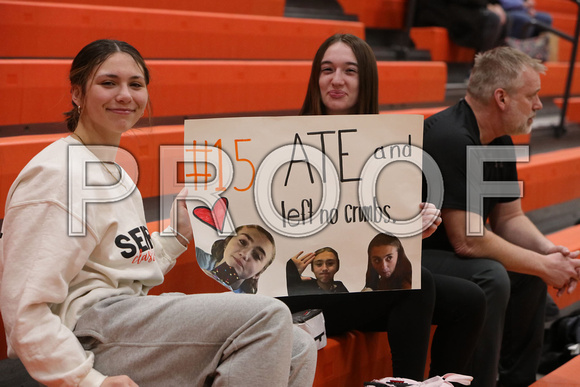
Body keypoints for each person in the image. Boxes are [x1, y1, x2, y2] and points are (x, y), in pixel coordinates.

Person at [0, 39, 317, 386]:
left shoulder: (115, 172)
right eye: (109, 83)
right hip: (88, 334)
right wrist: (88, 381)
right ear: (77, 93)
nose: (125, 95)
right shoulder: (57, 175)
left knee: (299, 343)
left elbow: (125, 266)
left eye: (136, 84)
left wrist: (177, 234)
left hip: (126, 318)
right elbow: (24, 310)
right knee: (267, 316)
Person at [281, 33, 487, 379]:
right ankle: (408, 385)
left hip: (356, 288)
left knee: (469, 299)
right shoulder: (283, 142)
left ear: (366, 81)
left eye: (350, 71)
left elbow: (377, 238)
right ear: (315, 78)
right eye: (327, 69)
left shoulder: (385, 148)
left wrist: (411, 230)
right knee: (416, 284)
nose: (336, 80)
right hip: (304, 289)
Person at [422, 46, 580, 387]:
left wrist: (549, 252)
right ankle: (478, 383)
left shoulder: (498, 137)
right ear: (501, 98)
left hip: (451, 251)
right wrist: (543, 265)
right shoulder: (450, 137)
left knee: (531, 266)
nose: (539, 105)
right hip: (411, 256)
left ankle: (517, 381)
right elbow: (467, 240)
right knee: (492, 274)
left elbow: (509, 217)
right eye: (533, 96)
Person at [196, 224, 276, 294]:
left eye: (256, 255)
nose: (245, 254)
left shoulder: (247, 305)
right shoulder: (193, 255)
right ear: (227, 242)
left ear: (257, 274)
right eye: (242, 242)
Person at [414, 0, 508, 53]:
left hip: (460, 8)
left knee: (506, 18)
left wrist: (495, 5)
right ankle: (479, 70)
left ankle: (498, 65)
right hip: (438, 11)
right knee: (492, 19)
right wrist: (486, 6)